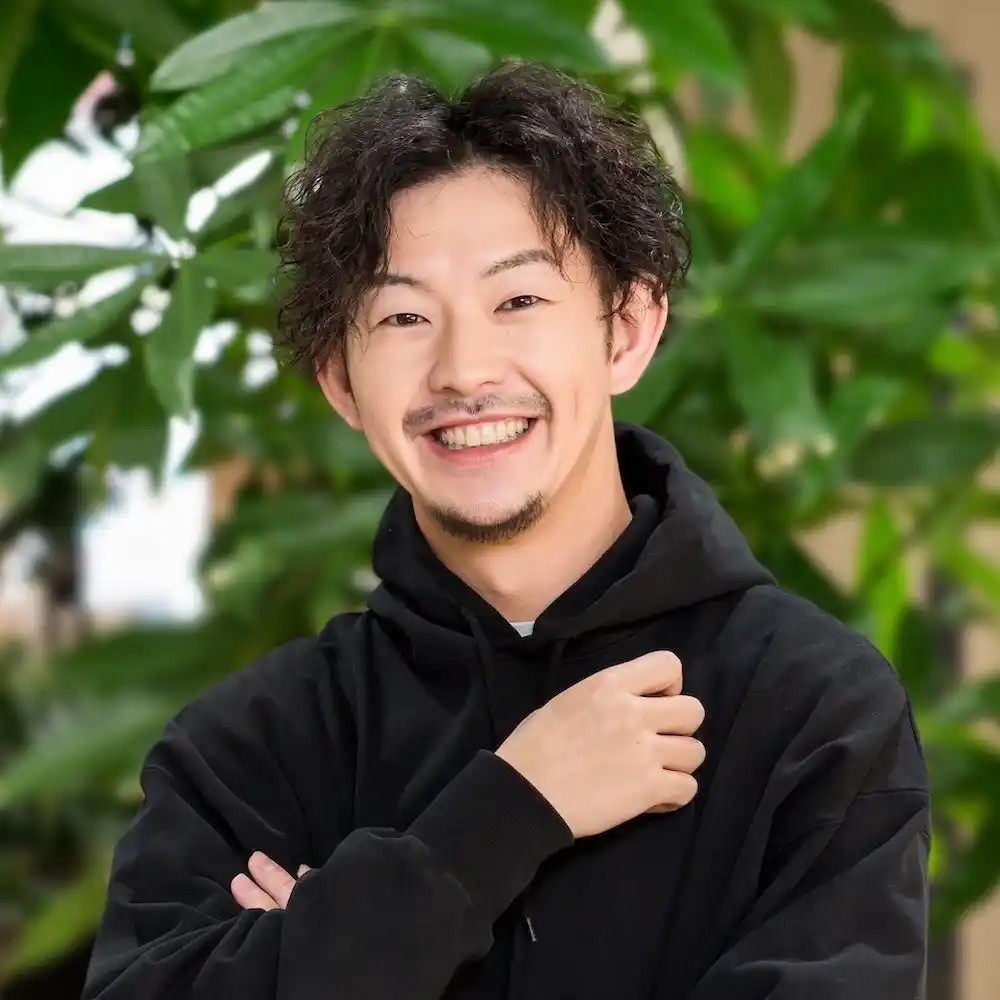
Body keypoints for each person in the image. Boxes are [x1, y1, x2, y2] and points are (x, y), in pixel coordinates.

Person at [82, 62, 930, 1000]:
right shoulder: (248, 755)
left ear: (627, 330)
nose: (463, 369)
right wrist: (496, 823)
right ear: (341, 382)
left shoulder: (813, 713)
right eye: (405, 315)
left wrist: (339, 946)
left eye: (518, 300)